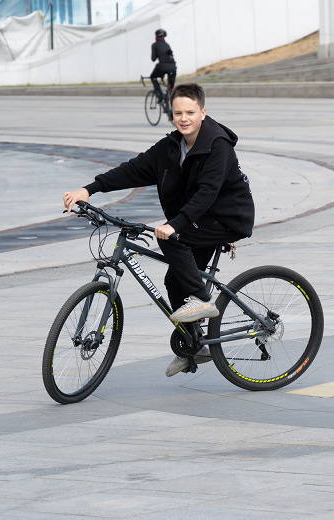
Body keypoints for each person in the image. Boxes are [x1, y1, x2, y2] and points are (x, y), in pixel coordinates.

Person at [63, 83, 255, 377]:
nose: (184, 118)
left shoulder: (218, 146)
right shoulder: (171, 147)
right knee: (174, 280)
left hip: (226, 218)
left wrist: (174, 224)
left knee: (171, 238)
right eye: (178, 113)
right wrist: (90, 189)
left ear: (203, 112)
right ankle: (194, 345)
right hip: (197, 218)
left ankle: (203, 301)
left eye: (190, 112)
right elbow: (134, 168)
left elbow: (207, 193)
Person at [150, 28, 177, 104]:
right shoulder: (167, 45)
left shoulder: (154, 45)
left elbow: (153, 59)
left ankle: (160, 95)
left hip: (162, 67)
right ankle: (169, 99)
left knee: (153, 77)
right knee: (170, 87)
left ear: (156, 36)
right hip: (173, 67)